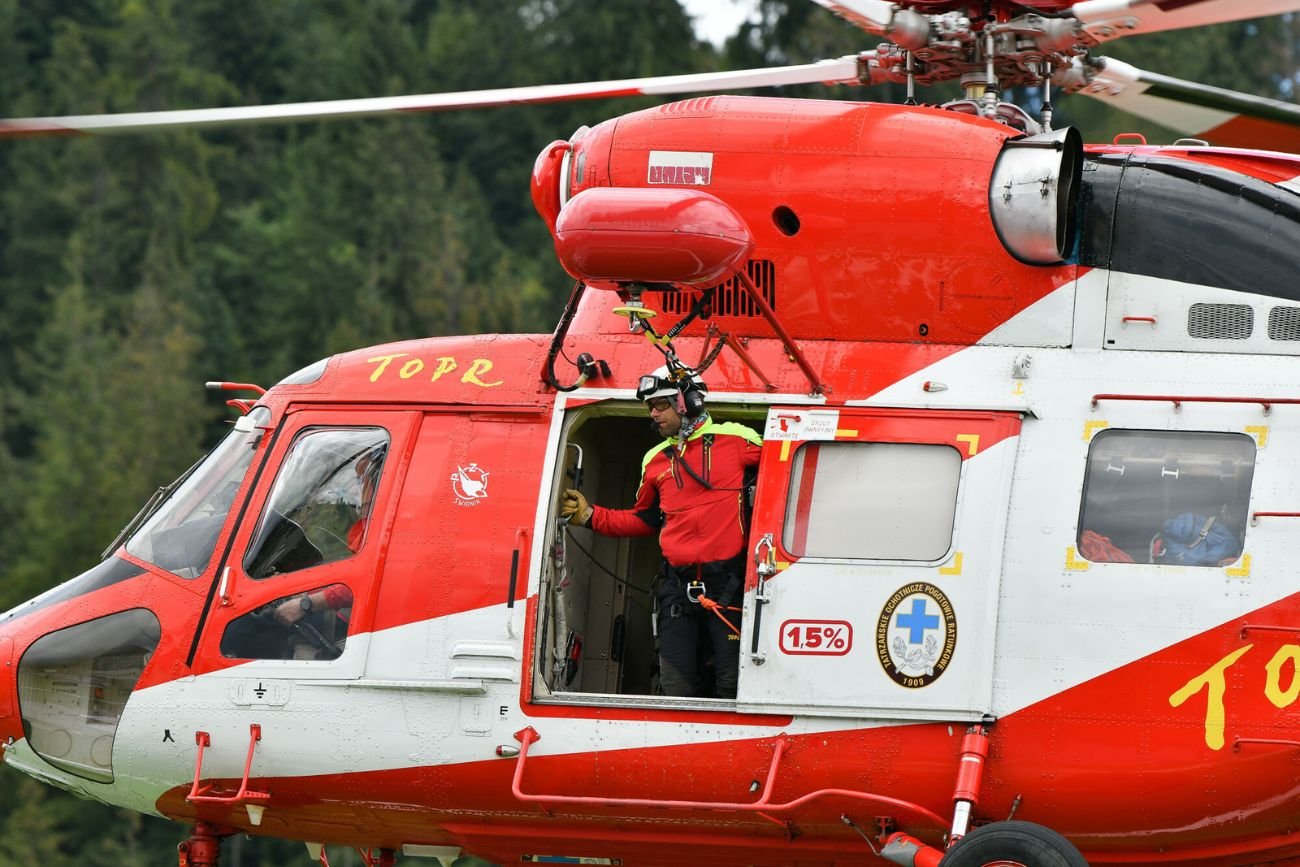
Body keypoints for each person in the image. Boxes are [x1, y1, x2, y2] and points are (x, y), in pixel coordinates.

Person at [560, 369, 762, 698]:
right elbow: (644, 519)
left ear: (688, 403)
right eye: (649, 407)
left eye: (660, 405)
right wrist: (589, 516)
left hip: (731, 584)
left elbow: (791, 463)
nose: (653, 414)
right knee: (674, 685)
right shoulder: (654, 460)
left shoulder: (737, 439)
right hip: (677, 589)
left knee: (733, 685)